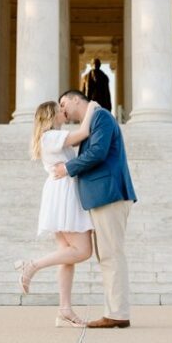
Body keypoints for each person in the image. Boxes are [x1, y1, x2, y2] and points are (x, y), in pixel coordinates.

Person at [53, 88, 140, 328]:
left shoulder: (101, 116)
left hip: (109, 194)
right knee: (108, 254)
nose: (62, 111)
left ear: (74, 99)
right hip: (102, 196)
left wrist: (68, 169)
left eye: (63, 104)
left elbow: (98, 153)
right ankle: (115, 311)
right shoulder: (94, 119)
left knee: (111, 254)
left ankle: (117, 314)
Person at [15, 99, 95, 324]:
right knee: (82, 250)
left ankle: (64, 309)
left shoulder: (54, 137)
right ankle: (33, 265)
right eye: (60, 109)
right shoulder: (50, 137)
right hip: (64, 194)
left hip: (62, 191)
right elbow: (85, 131)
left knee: (66, 256)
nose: (64, 111)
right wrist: (91, 107)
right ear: (51, 116)